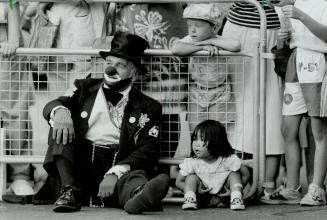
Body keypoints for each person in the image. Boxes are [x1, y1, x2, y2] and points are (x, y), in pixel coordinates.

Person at [33, 32, 170, 214]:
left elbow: (148, 150)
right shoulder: (84, 88)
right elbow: (55, 103)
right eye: (109, 63)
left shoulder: (149, 107)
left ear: (134, 73)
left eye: (120, 65)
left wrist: (115, 172)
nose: (111, 70)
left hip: (118, 162)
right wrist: (59, 112)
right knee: (60, 123)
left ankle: (138, 196)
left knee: (133, 178)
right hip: (79, 166)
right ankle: (68, 191)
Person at [222, 0, 285, 203]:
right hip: (239, 26)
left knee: (273, 105)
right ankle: (235, 181)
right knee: (238, 106)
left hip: (276, 27)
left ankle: (268, 183)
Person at [267, 0, 327, 206]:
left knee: (319, 130)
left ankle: (317, 188)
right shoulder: (298, 1)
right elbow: (293, 37)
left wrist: (300, 15)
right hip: (297, 59)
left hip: (319, 61)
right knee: (288, 128)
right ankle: (292, 188)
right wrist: (283, 38)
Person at [171, 3, 241, 132]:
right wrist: (202, 47)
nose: (192, 30)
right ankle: (196, 152)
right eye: (189, 26)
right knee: (196, 131)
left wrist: (210, 41)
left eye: (197, 26)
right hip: (196, 93)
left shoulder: (219, 40)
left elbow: (236, 45)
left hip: (220, 93)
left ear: (214, 27)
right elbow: (176, 48)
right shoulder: (190, 40)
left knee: (216, 133)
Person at [0, 1, 35, 198]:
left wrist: (13, 37)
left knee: (13, 112)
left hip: (5, 43)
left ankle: (19, 175)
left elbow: (12, 2)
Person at [175, 120, 249, 211]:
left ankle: (236, 197)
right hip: (202, 198)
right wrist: (195, 191)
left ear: (216, 142)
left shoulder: (228, 159)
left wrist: (234, 190)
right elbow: (178, 182)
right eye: (195, 139)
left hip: (225, 197)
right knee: (191, 177)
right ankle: (190, 199)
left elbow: (246, 174)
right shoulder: (192, 162)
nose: (196, 144)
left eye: (202, 139)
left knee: (235, 174)